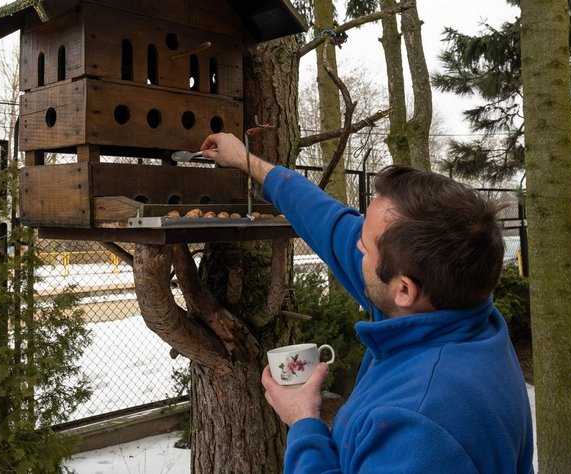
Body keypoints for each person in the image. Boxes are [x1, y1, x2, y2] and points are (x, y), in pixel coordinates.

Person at [199, 132, 534, 474]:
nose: (355, 247)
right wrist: (246, 161)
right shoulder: (455, 306)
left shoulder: (421, 427)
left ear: (404, 290)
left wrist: (303, 422)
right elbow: (329, 223)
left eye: (366, 246)